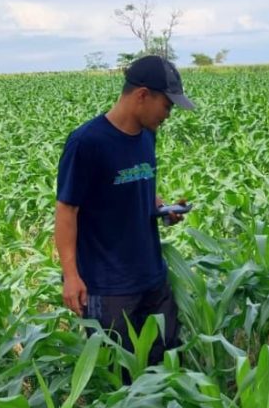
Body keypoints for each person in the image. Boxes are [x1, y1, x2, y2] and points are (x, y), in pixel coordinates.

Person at [55, 55, 195, 379]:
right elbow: (66, 211)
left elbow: (136, 184)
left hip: (152, 276)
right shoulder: (87, 143)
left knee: (166, 369)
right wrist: (70, 275)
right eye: (167, 105)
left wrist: (161, 207)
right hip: (109, 287)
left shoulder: (147, 135)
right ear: (142, 95)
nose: (168, 114)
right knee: (120, 380)